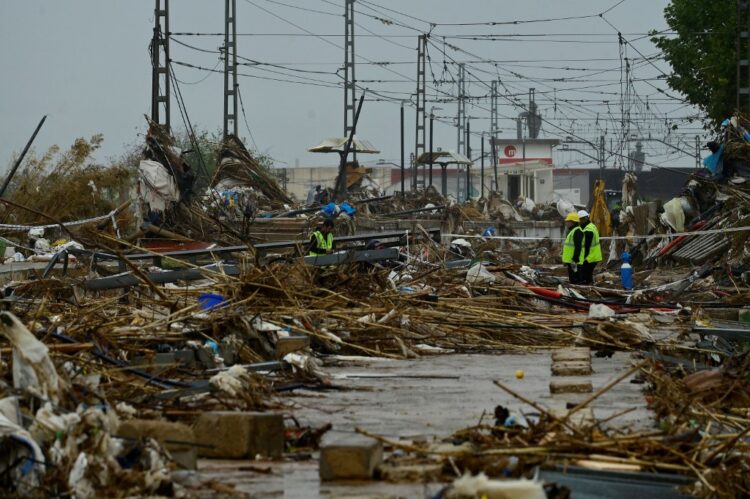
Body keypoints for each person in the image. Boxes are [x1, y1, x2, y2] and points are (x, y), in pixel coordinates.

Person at [577, 209, 602, 285]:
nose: (579, 223)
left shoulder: (588, 230)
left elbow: (587, 246)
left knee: (584, 275)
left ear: (584, 219)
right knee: (588, 275)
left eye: (579, 221)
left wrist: (584, 258)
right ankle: (590, 286)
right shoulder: (592, 226)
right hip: (594, 256)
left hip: (590, 257)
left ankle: (586, 288)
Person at [561, 212, 583, 284]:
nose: (566, 223)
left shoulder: (577, 231)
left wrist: (575, 259)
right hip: (572, 261)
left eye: (568, 221)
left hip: (574, 261)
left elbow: (578, 246)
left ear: (573, 222)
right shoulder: (573, 231)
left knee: (575, 280)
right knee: (573, 280)